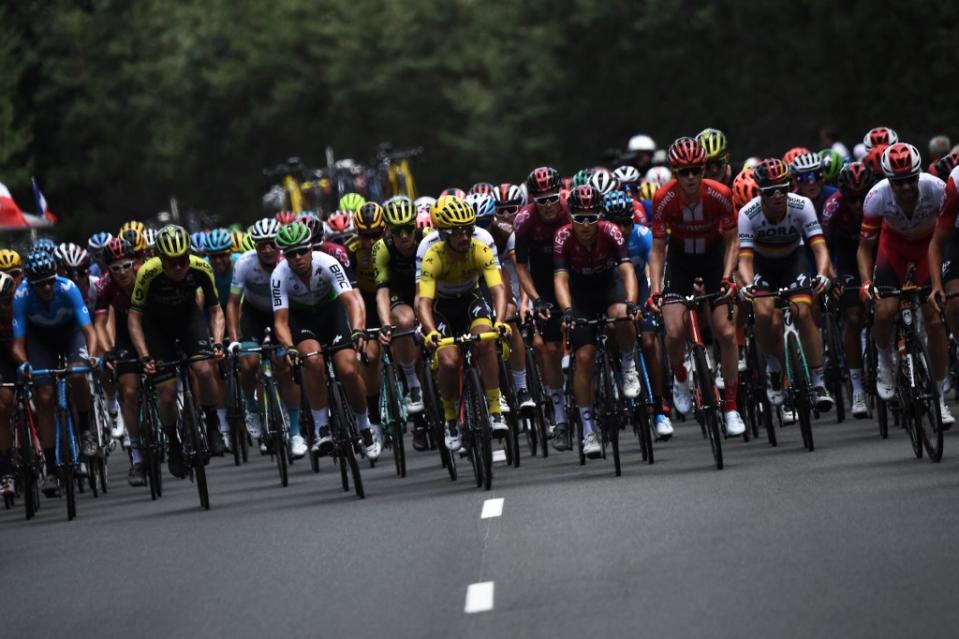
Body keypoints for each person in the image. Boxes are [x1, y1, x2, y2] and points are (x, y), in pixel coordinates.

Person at [648, 137, 745, 436]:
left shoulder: (720, 194)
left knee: (726, 332)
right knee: (674, 330)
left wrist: (729, 276)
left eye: (695, 170)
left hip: (714, 259)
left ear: (703, 169)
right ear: (674, 172)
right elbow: (658, 249)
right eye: (683, 171)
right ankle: (680, 376)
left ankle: (731, 407)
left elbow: (732, 240)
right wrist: (655, 288)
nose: (690, 177)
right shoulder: (663, 198)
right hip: (680, 262)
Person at [858, 143, 954, 425]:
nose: (906, 187)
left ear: (919, 173)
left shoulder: (936, 188)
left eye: (911, 179)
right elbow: (865, 248)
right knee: (885, 311)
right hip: (894, 251)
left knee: (935, 321)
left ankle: (939, 398)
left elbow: (948, 230)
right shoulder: (876, 197)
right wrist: (865, 282)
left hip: (928, 250)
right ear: (888, 180)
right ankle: (885, 362)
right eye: (898, 182)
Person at [270, 222, 379, 459]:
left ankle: (365, 426)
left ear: (311, 249)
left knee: (348, 369)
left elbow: (351, 301)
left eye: (302, 251)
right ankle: (322, 428)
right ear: (285, 256)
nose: (298, 258)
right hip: (303, 321)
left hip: (332, 314)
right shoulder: (279, 275)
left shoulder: (327, 262)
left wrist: (359, 330)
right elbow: (280, 321)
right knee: (312, 361)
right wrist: (289, 347)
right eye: (291, 254)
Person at [128, 224, 228, 478]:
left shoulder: (201, 267)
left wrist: (217, 343)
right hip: (157, 327)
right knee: (168, 391)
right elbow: (134, 318)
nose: (178, 268)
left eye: (182, 261)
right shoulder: (147, 273)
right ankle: (173, 443)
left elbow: (216, 310)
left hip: (188, 320)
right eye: (171, 262)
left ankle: (212, 421)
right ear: (160, 259)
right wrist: (144, 356)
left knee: (204, 369)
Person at [738, 158, 833, 411]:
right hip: (763, 266)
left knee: (803, 311)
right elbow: (745, 259)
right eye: (771, 192)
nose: (778, 196)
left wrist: (823, 273)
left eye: (784, 188)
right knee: (763, 312)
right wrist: (748, 285)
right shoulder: (748, 213)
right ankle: (773, 365)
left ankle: (818, 381)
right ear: (761, 193)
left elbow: (819, 246)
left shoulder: (802, 205)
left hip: (793, 261)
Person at [417, 197, 511, 451]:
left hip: (471, 300)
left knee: (488, 339)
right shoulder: (431, 255)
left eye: (468, 230)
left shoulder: (480, 248)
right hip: (441, 308)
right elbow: (423, 301)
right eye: (457, 232)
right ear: (444, 234)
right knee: (447, 361)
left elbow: (498, 289)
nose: (464, 236)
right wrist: (431, 331)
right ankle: (450, 418)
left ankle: (494, 410)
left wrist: (500, 321)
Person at [553, 186, 640, 457]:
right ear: (571, 219)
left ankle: (628, 365)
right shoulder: (562, 237)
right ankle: (589, 430)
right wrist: (567, 310)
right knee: (584, 357)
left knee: (621, 314)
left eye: (592, 218)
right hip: (579, 296)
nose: (587, 224)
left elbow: (626, 270)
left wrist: (632, 302)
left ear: (599, 216)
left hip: (607, 287)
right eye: (580, 218)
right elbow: (560, 278)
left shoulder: (611, 231)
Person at [12, 250, 99, 497]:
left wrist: (91, 356)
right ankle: (51, 469)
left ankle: (85, 430)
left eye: (50, 281)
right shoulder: (22, 295)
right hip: (41, 341)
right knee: (46, 398)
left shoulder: (68, 287)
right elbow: (18, 345)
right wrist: (24, 363)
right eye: (41, 284)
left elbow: (89, 331)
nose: (47, 288)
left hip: (71, 333)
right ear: (30, 283)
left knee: (78, 374)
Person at [226, 217, 307, 458]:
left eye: (272, 243)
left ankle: (295, 433)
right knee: (248, 363)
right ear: (255, 246)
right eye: (262, 245)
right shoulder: (244, 264)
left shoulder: (287, 262)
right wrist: (233, 340)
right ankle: (251, 407)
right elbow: (232, 304)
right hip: (254, 315)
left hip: (284, 313)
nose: (268, 249)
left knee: (284, 367)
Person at [603, 190, 673, 437]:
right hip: (611, 293)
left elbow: (655, 266)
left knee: (649, 340)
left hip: (639, 289)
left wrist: (656, 294)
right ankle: (617, 371)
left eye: (626, 223)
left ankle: (659, 408)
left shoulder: (642, 235)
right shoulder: (600, 240)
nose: (621, 229)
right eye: (615, 223)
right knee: (611, 329)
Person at [513, 166, 573, 441]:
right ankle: (559, 412)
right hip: (544, 283)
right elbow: (521, 268)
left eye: (552, 198)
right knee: (549, 348)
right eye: (541, 200)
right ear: (533, 200)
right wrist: (535, 300)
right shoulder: (524, 221)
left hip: (575, 275)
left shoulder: (572, 208)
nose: (548, 205)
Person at [822, 162, 876, 418]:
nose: (857, 205)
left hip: (878, 255)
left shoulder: (878, 201)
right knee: (853, 318)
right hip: (846, 261)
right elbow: (822, 247)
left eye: (862, 197)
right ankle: (857, 390)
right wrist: (832, 278)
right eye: (851, 199)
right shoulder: (833, 207)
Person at [94, 237, 146, 484]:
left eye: (126, 266)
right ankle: (136, 456)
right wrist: (107, 350)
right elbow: (100, 324)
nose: (122, 273)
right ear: (107, 270)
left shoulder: (146, 275)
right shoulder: (105, 286)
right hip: (126, 334)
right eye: (115, 268)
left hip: (153, 328)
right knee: (128, 389)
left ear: (134, 262)